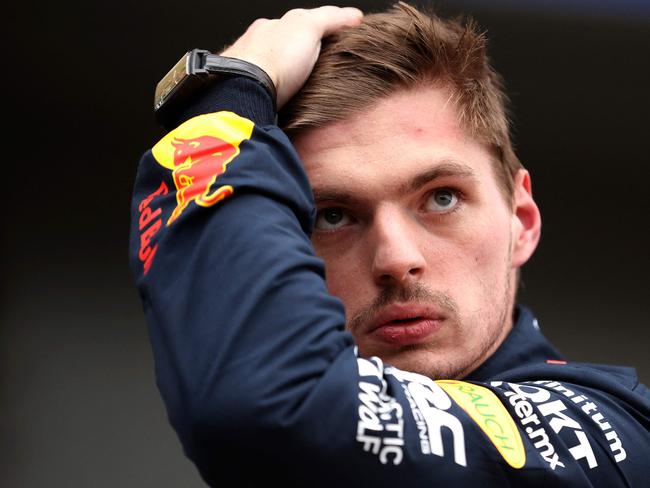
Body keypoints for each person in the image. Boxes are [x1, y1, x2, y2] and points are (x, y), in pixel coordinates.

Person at [130, 3, 650, 486]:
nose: (397, 260)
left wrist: (223, 108)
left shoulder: (618, 435)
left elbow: (271, 410)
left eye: (442, 199)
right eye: (332, 216)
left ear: (522, 221)